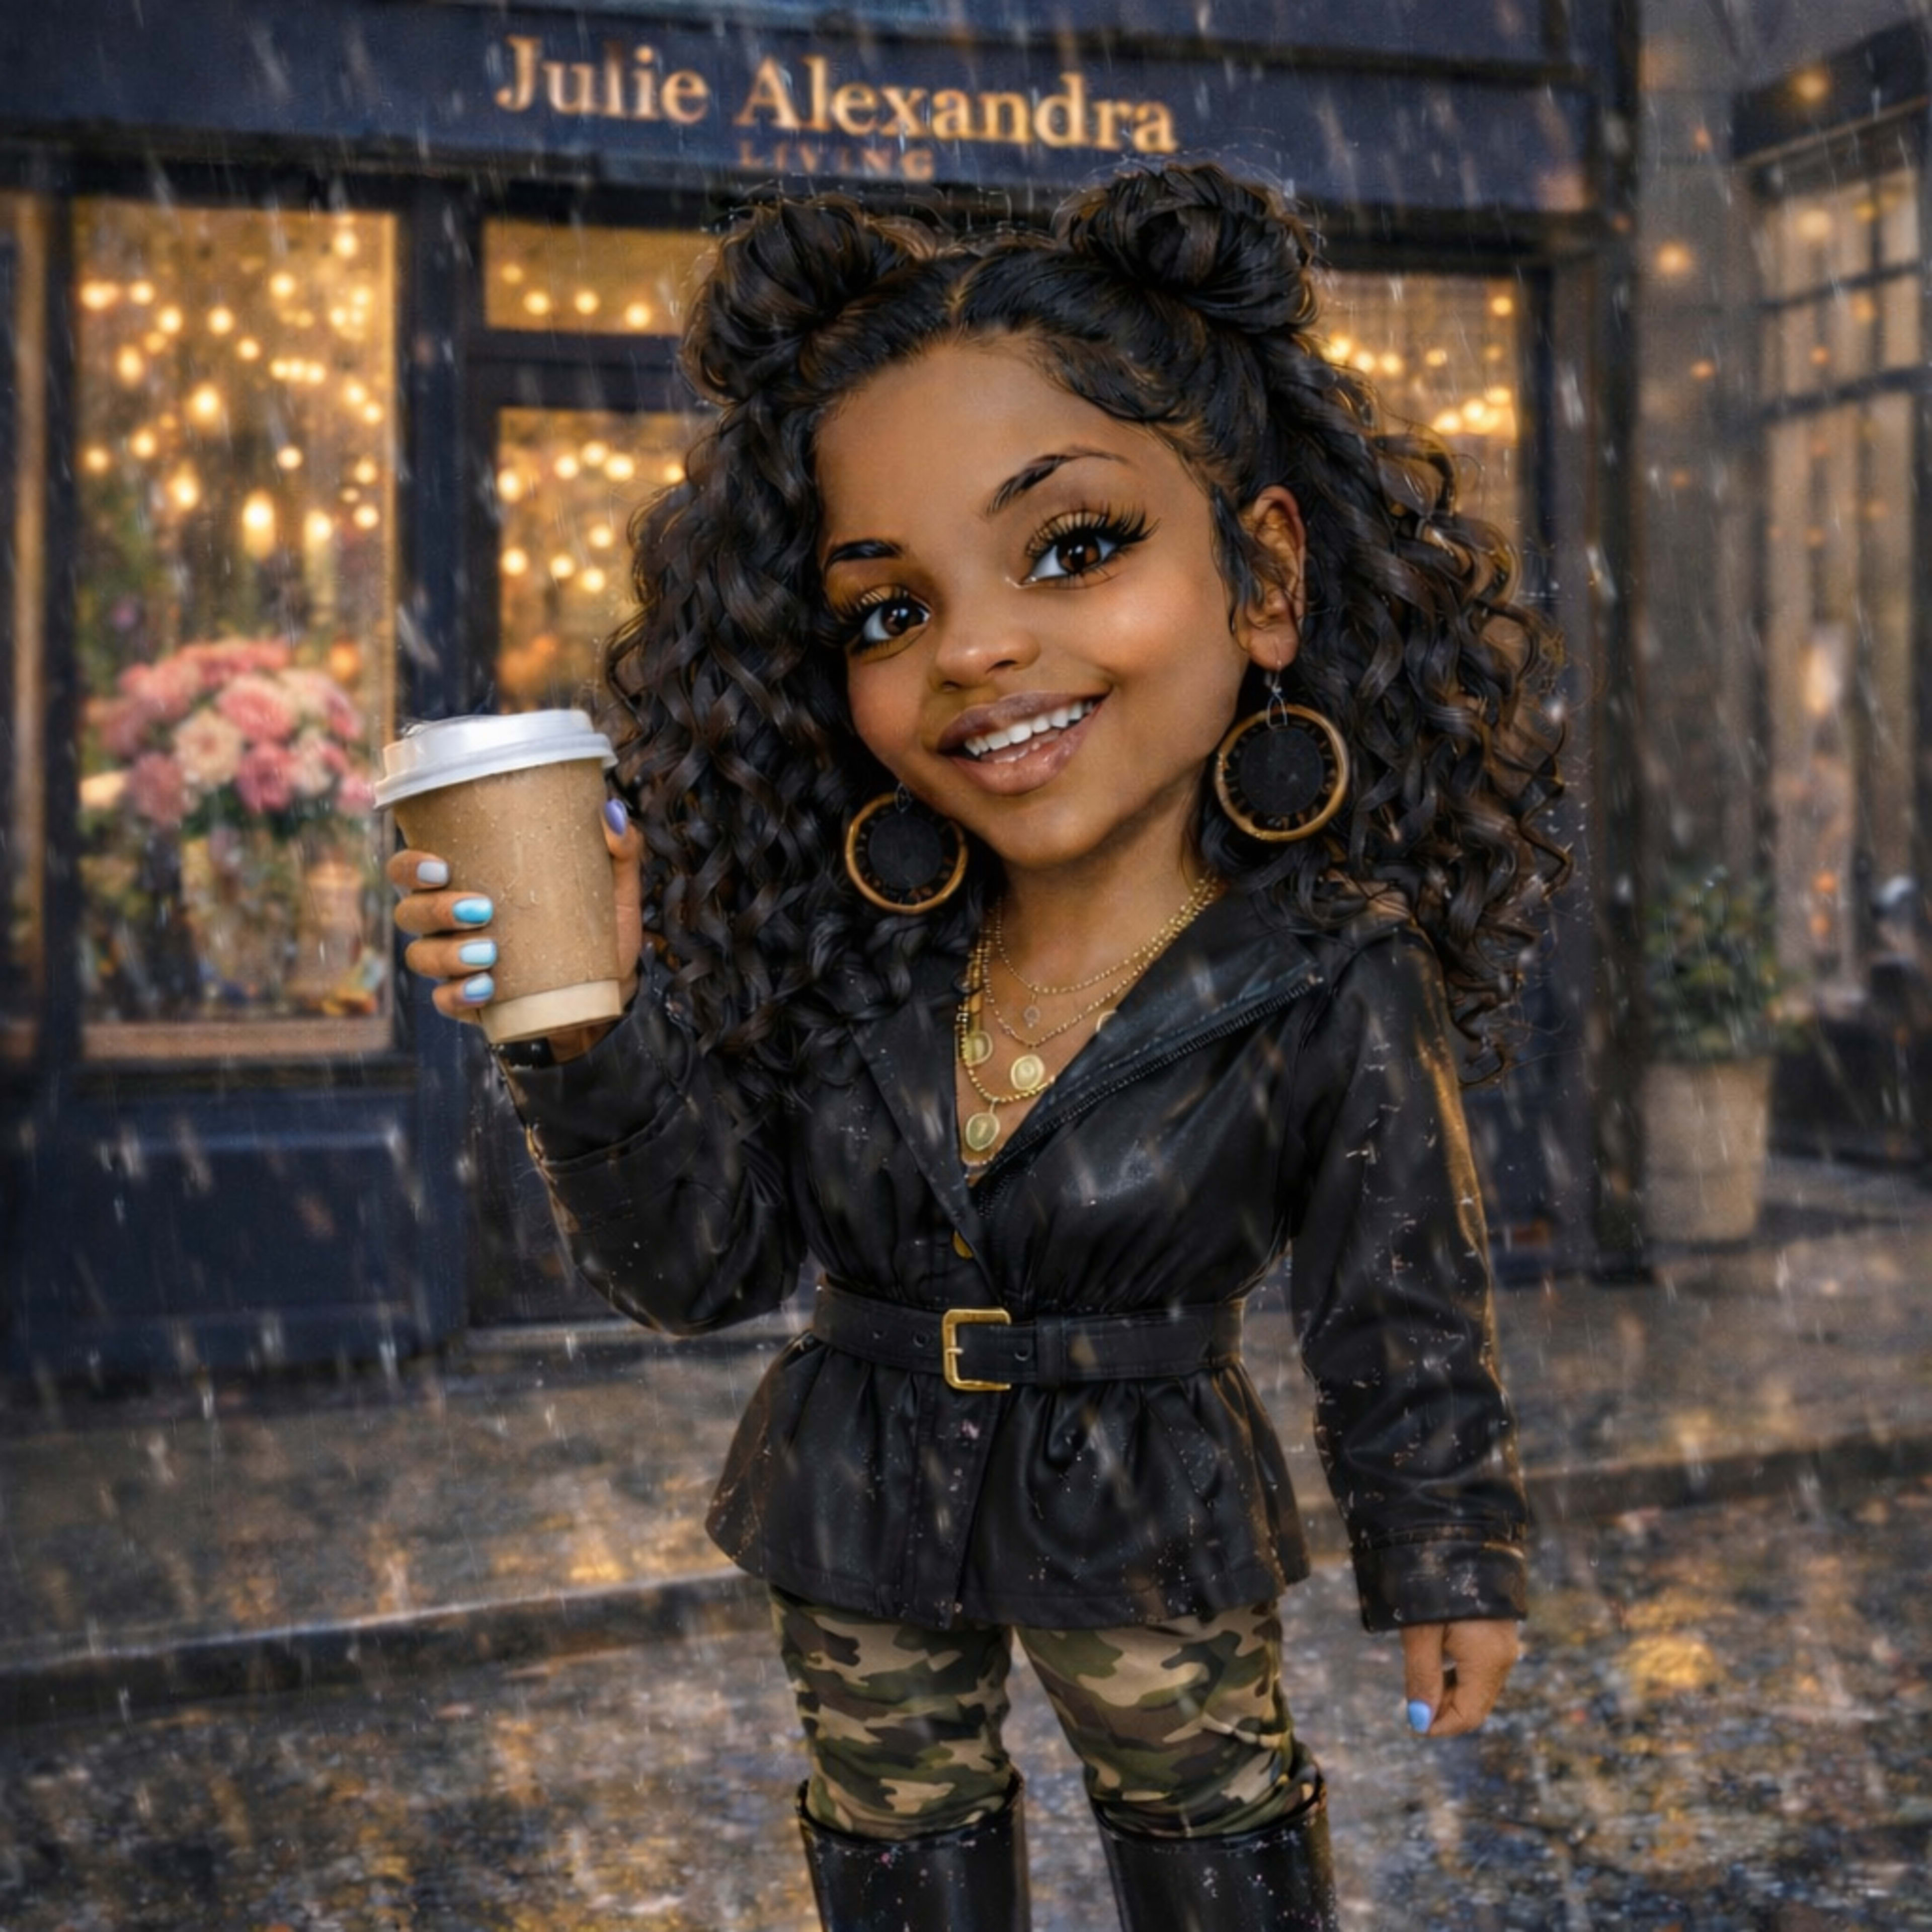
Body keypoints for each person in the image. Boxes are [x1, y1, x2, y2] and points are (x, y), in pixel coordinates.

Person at [389, 161, 1567, 1932]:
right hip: (857, 1495)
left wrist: (1448, 1552)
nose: (978, 648)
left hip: (1153, 1508)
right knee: (896, 1836)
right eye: (890, 607)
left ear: (1262, 576)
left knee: (1207, 1823)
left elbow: (1396, 1303)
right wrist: (587, 1028)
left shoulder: (1330, 969)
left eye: (1075, 546)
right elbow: (704, 1271)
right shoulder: (854, 951)